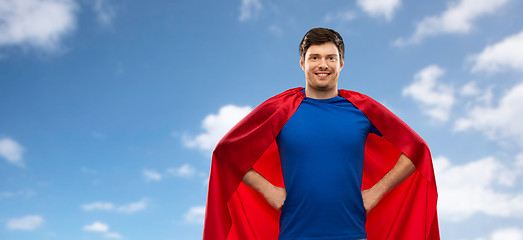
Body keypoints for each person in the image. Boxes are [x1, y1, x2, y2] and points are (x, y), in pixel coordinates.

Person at [203, 27, 439, 240]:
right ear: (302, 64)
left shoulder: (362, 109)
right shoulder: (281, 109)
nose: (323, 64)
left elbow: (417, 150)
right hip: (294, 235)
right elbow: (226, 153)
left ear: (342, 63)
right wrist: (267, 189)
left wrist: (376, 191)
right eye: (314, 57)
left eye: (330, 58)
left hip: (352, 234)